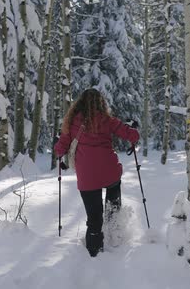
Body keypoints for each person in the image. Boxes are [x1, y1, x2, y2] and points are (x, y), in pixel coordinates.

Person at [54, 89, 140, 257]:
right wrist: (133, 128)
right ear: (101, 103)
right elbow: (131, 136)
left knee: (94, 218)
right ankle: (115, 238)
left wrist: (57, 144)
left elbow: (60, 149)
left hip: (87, 179)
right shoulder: (107, 120)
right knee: (113, 208)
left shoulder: (72, 122)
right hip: (110, 173)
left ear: (80, 103)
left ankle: (94, 252)